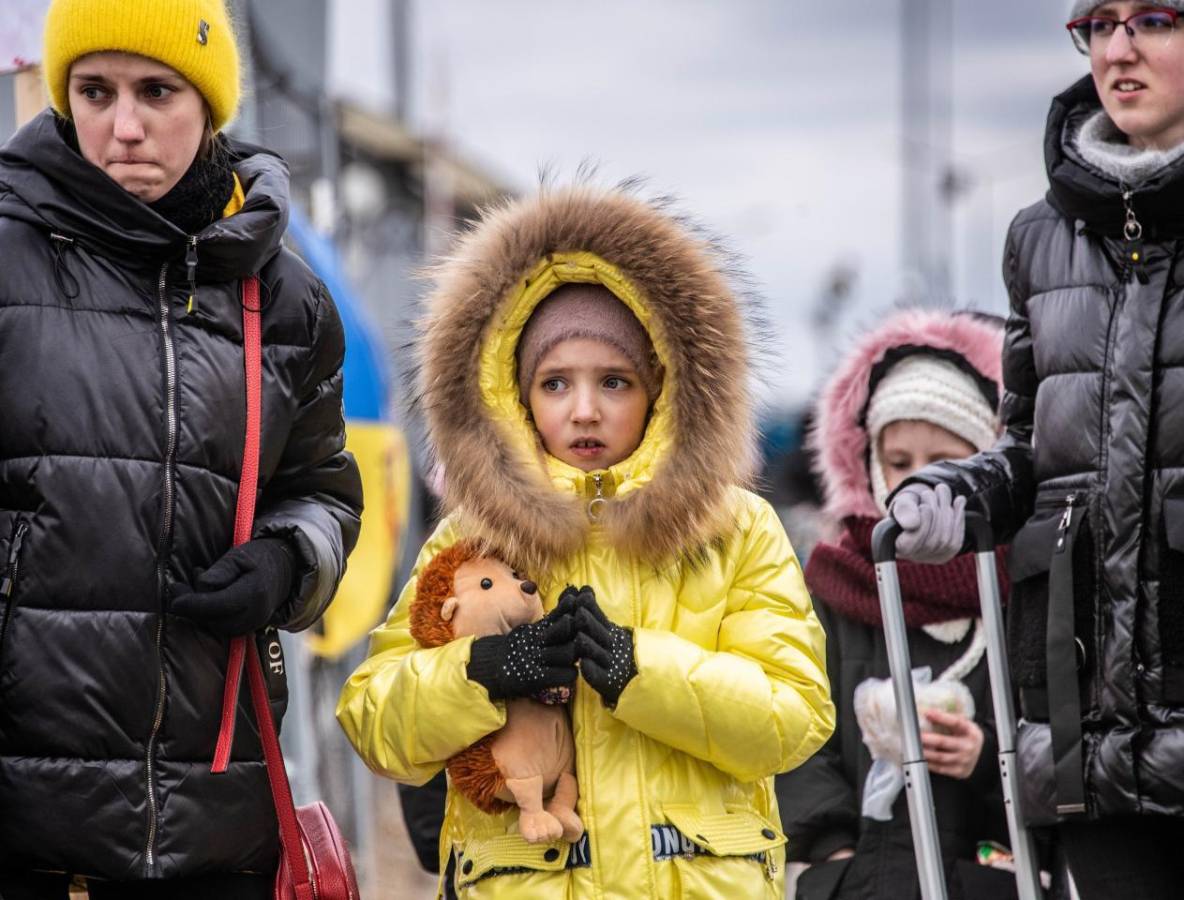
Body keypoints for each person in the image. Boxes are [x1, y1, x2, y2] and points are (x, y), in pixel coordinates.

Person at [337, 182, 835, 899]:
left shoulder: (737, 529)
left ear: (662, 387)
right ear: (515, 393)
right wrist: (482, 670)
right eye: (555, 383)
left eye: (614, 380)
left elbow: (795, 717)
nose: (585, 410)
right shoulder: (473, 538)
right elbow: (375, 720)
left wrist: (642, 670)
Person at [0, 1, 363, 897]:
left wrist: (288, 562)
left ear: (208, 104)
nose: (123, 127)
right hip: (18, 818)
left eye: (156, 91)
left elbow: (324, 490)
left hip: (215, 810)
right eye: (95, 91)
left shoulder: (287, 301)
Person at [887, 2, 1184, 897]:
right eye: (1097, 23)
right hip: (1088, 718)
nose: (1119, 46)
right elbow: (1030, 445)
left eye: (1155, 18)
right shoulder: (1038, 233)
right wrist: (960, 492)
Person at [775, 310, 1017, 900]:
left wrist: (987, 759)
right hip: (856, 880)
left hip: (985, 877)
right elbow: (796, 729)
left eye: (943, 462)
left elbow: (1054, 733)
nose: (916, 485)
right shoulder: (837, 585)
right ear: (870, 468)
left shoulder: (1017, 582)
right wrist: (834, 853)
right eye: (899, 463)